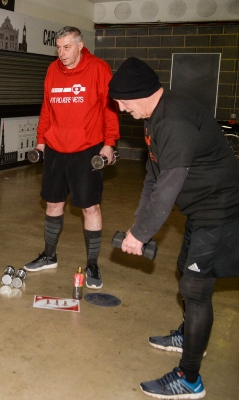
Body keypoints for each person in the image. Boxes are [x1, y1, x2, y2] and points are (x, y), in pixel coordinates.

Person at [110, 57, 239, 399]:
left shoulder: (175, 119)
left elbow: (169, 184)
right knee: (185, 270)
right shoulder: (153, 118)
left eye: (122, 101)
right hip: (200, 209)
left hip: (221, 209)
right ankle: (188, 334)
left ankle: (190, 378)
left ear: (139, 94)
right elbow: (152, 178)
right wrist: (139, 228)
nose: (121, 109)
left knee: (195, 288)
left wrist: (140, 235)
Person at [23, 26, 119, 290]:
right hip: (55, 148)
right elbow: (47, 108)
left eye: (67, 47)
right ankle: (49, 255)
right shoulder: (53, 69)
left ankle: (92, 264)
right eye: (58, 47)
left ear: (79, 45)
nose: (61, 53)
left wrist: (109, 144)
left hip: (87, 148)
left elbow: (110, 109)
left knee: (90, 207)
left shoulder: (99, 68)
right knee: (53, 204)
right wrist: (41, 140)